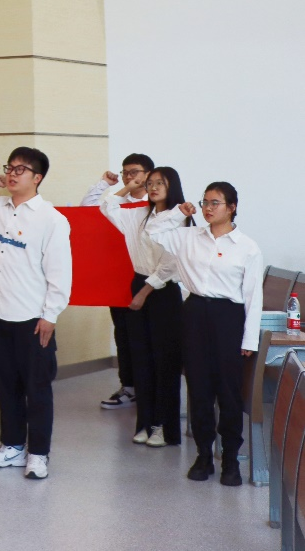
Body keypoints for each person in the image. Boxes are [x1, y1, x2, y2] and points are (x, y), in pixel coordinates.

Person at [0, 148, 72, 480]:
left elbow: (60, 272)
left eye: (22, 169)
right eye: (11, 167)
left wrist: (50, 314)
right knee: (5, 384)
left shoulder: (51, 219)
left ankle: (38, 454)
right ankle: (13, 446)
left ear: (37, 178)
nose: (12, 173)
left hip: (33, 318)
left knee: (37, 388)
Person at [147, 182, 265, 486]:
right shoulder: (188, 236)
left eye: (216, 203)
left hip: (229, 317)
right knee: (199, 387)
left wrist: (249, 339)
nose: (208, 208)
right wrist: (178, 213)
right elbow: (152, 230)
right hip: (194, 312)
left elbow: (253, 297)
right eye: (205, 202)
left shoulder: (247, 247)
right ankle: (203, 456)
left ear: (232, 207)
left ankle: (230, 460)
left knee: (228, 391)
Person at [105, 165, 187, 447]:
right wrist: (129, 186)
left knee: (164, 362)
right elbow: (107, 206)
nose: (153, 187)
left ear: (172, 186)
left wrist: (144, 291)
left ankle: (165, 427)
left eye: (159, 183)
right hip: (138, 283)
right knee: (141, 358)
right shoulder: (141, 214)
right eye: (149, 183)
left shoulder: (180, 217)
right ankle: (145, 423)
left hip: (162, 292)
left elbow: (171, 264)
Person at [81, 154, 154, 411]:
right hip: (119, 279)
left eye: (134, 172)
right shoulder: (117, 202)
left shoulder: (155, 203)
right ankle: (129, 387)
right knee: (123, 335)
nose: (129, 177)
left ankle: (151, 390)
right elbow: (87, 209)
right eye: (125, 172)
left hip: (149, 281)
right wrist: (106, 184)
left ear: (148, 174)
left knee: (147, 338)